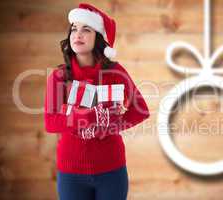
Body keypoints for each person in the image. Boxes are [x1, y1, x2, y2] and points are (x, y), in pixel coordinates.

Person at [43, 3, 150, 200]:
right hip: (70, 172)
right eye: (74, 29)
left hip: (112, 170)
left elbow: (141, 110)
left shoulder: (115, 72)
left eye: (86, 29)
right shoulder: (59, 76)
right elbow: (50, 122)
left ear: (98, 38)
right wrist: (82, 117)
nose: (78, 34)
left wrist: (111, 125)